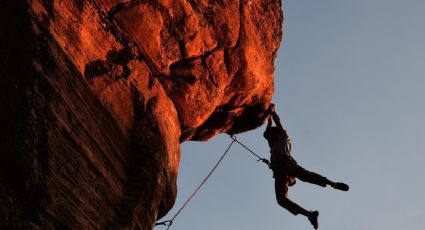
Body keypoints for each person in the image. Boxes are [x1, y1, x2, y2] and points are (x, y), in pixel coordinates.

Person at [264, 104, 349, 229]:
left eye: (270, 136)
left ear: (275, 134)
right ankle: (309, 214)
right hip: (280, 173)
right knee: (281, 200)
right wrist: (269, 120)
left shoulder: (283, 138)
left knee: (304, 175)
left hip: (287, 164)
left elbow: (278, 122)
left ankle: (332, 183)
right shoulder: (273, 144)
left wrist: (273, 113)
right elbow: (270, 128)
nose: (269, 139)